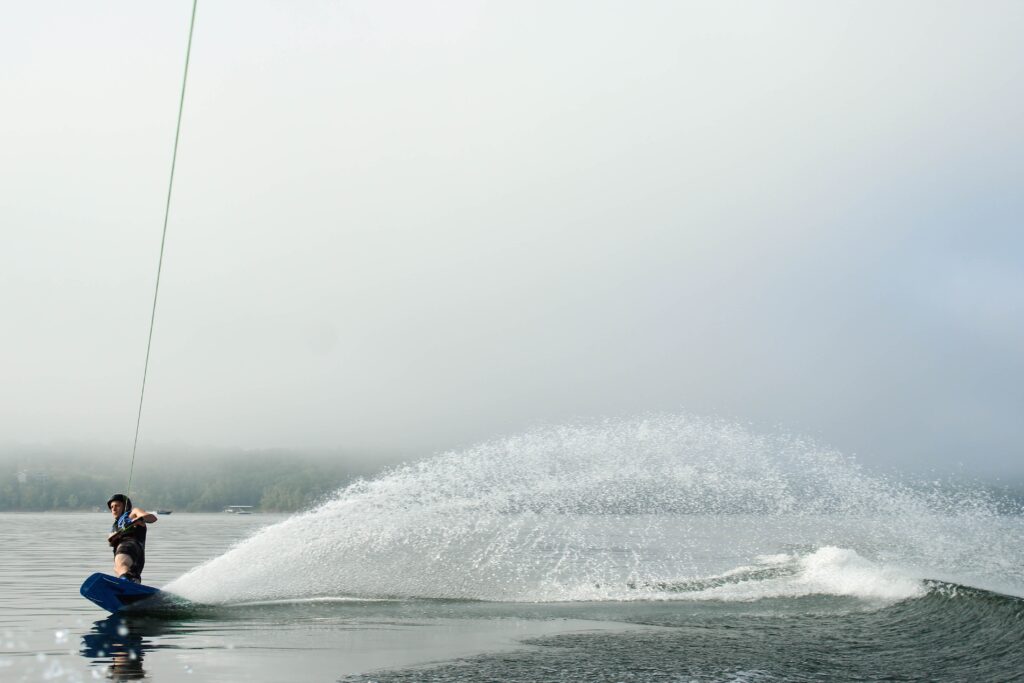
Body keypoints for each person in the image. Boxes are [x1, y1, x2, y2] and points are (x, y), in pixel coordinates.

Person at [106, 494, 157, 583]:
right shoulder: (114, 526)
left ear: (125, 506)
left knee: (120, 564)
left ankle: (126, 581)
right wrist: (114, 537)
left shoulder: (132, 514)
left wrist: (139, 519)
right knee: (119, 569)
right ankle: (132, 584)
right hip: (137, 558)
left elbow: (152, 518)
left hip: (130, 546)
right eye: (112, 507)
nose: (113, 509)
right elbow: (110, 542)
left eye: (117, 506)